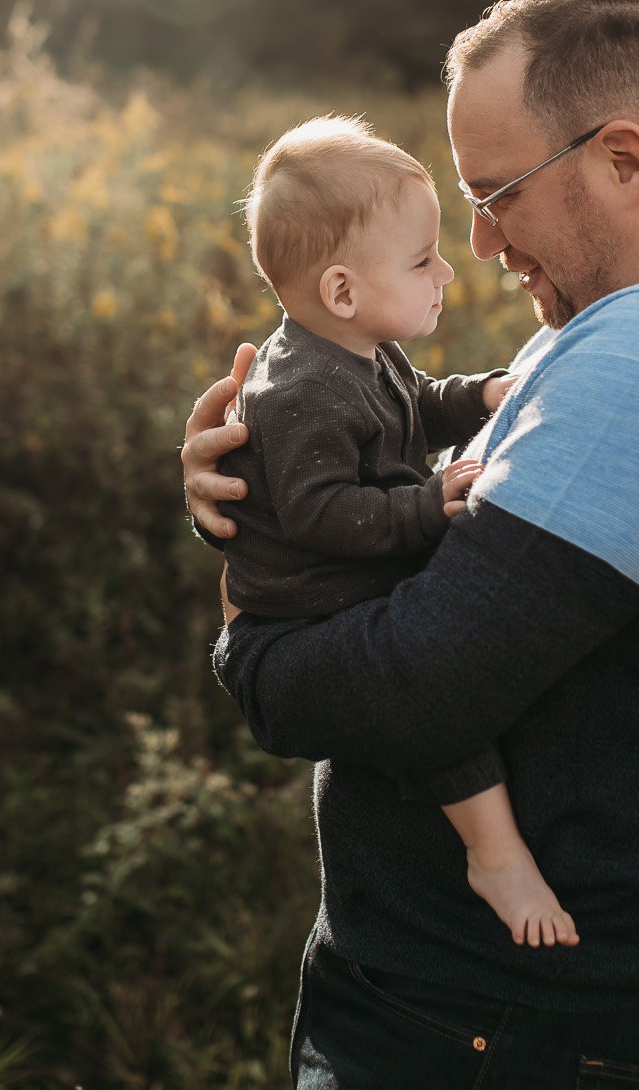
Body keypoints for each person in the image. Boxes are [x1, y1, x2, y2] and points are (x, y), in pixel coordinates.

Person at [181, 0, 639, 1088]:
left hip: (497, 1029)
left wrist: (251, 615)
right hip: (477, 1012)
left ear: (621, 157)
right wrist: (254, 491)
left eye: (497, 191)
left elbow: (410, 686)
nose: (486, 241)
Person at [215, 114, 577, 950]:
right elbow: (319, 513)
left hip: (341, 587)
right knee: (430, 697)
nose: (448, 269)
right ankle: (494, 853)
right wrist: (427, 503)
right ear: (342, 290)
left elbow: (415, 399)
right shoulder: (301, 388)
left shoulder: (358, 350)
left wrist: (483, 393)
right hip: (311, 609)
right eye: (423, 261)